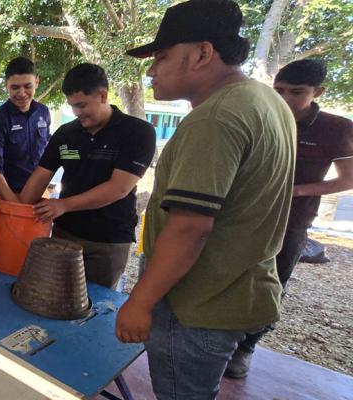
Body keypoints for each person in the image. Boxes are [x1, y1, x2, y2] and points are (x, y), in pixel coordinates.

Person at [115, 0, 296, 398]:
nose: (150, 70)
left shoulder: (215, 118)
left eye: (161, 56)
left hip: (196, 305)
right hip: (236, 291)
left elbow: (190, 227)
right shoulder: (268, 102)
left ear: (202, 53)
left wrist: (141, 301)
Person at [226, 59, 353, 378]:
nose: (284, 99)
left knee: (271, 284)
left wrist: (295, 191)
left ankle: (246, 348)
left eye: (296, 92)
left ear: (318, 92)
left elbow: (347, 179)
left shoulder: (335, 128)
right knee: (229, 275)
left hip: (291, 222)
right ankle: (219, 338)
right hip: (243, 215)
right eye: (278, 90)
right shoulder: (260, 116)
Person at [18, 63, 156, 290]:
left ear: (103, 95)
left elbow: (119, 187)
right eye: (72, 106)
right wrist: (19, 209)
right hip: (65, 234)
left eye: (82, 105)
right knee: (52, 296)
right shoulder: (66, 133)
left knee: (92, 308)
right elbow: (41, 174)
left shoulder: (138, 132)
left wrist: (63, 204)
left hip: (108, 241)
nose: (77, 113)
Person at [0, 57, 51, 210]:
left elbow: (47, 151)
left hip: (39, 198)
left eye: (28, 86)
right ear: (6, 85)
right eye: (15, 88)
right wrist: (15, 204)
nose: (21, 93)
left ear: (37, 83)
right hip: (9, 197)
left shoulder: (43, 112)